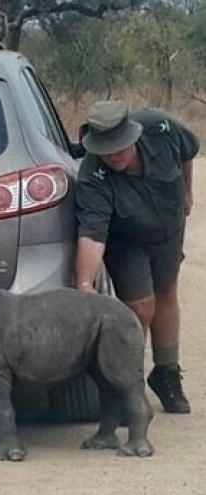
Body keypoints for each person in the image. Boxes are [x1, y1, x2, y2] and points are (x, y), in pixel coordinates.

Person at [74, 100, 199, 414]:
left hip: (168, 228)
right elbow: (91, 234)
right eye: (105, 149)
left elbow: (187, 153)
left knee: (166, 291)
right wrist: (85, 285)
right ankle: (129, 383)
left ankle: (167, 373)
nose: (113, 155)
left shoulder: (161, 127)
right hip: (126, 239)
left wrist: (187, 190)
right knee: (140, 306)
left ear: (132, 135)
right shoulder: (93, 175)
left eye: (119, 147)